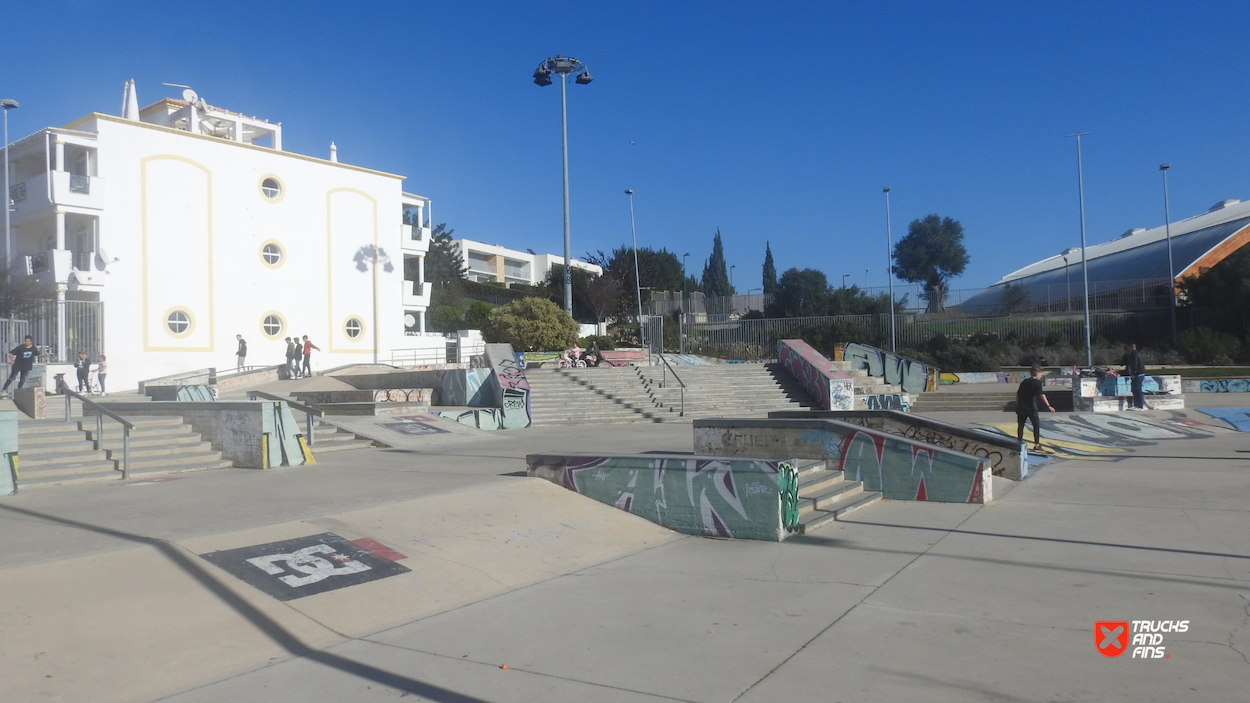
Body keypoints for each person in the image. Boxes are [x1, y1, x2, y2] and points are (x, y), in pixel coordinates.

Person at [1016, 366, 1055, 452]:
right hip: (1031, 407)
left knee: (1021, 426)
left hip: (1022, 407)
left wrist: (1018, 404)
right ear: (1037, 373)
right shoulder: (1037, 383)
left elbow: (1018, 394)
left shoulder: (1024, 382)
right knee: (1036, 426)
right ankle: (1037, 445)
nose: (1041, 375)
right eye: (1041, 374)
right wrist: (1048, 406)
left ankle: (1019, 443)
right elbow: (1041, 394)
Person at [1121, 343, 1147, 410]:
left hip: (1137, 374)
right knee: (1136, 389)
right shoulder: (1140, 353)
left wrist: (1134, 373)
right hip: (1141, 374)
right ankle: (1137, 404)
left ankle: (1139, 405)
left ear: (1131, 347)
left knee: (1137, 390)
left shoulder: (1133, 354)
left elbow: (1134, 364)